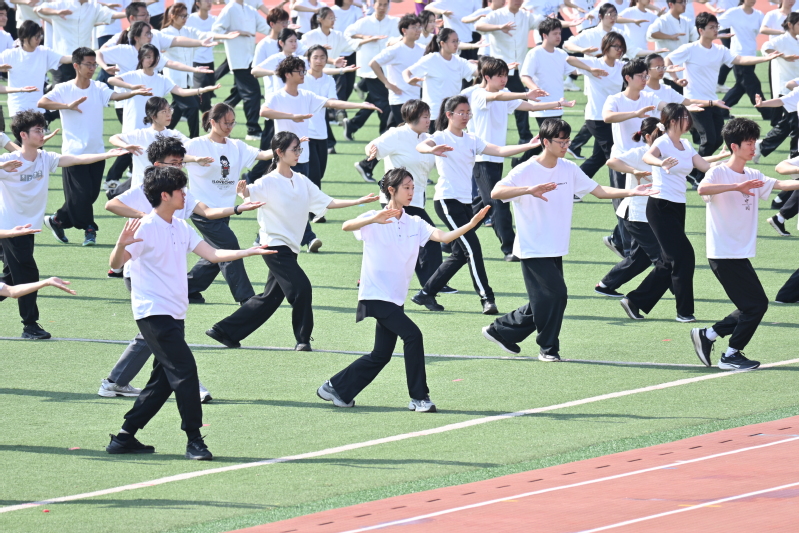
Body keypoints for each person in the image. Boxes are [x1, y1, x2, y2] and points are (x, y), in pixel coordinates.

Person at [104, 166, 276, 460]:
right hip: (152, 313)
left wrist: (248, 252)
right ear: (164, 195)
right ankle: (194, 439)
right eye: (180, 190)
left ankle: (124, 437)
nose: (185, 194)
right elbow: (116, 264)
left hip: (175, 314)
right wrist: (120, 245)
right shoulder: (145, 227)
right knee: (185, 371)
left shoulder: (181, 227)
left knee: (162, 382)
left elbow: (213, 254)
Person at [101, 136, 266, 399]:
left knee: (153, 336)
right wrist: (146, 218)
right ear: (158, 165)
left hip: (171, 278)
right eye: (174, 163)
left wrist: (238, 209)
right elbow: (111, 205)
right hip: (146, 276)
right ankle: (190, 386)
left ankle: (116, 382)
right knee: (168, 337)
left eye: (181, 162)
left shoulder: (180, 208)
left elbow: (208, 215)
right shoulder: (146, 196)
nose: (179, 167)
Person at [317, 168, 491, 412]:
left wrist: (471, 224)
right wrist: (373, 219)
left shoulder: (415, 222)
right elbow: (347, 225)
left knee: (381, 354)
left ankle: (336, 388)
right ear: (392, 190)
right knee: (413, 335)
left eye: (413, 188)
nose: (411, 192)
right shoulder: (374, 217)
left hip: (395, 299)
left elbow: (444, 237)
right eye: (406, 188)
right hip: (375, 295)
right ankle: (419, 398)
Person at [481, 118, 655, 360]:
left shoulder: (569, 168)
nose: (565, 146)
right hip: (533, 246)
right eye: (560, 142)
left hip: (556, 246)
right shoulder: (526, 169)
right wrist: (529, 190)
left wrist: (631, 191)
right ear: (545, 142)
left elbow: (599, 191)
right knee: (557, 295)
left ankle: (501, 330)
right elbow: (496, 191)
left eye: (567, 141)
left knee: (544, 300)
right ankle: (548, 348)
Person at [205, 131, 379, 352]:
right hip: (274, 246)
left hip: (290, 248)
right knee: (302, 288)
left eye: (299, 149)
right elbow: (249, 194)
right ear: (279, 152)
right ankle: (303, 339)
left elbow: (327, 202)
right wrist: (243, 192)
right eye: (294, 149)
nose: (298, 153)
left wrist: (358, 201)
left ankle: (225, 331)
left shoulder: (301, 180)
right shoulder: (268, 181)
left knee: (270, 298)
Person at [0, 111, 127, 340]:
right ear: (23, 135)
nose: (42, 134)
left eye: (42, 129)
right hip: (10, 230)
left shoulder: (45, 158)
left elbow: (76, 160)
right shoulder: (8, 160)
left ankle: (27, 320)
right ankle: (30, 326)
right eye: (37, 130)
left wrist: (106, 154)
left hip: (27, 229)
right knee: (28, 273)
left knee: (11, 277)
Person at [412, 95, 537, 314]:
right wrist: (431, 150)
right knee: (473, 249)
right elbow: (421, 145)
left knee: (460, 253)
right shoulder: (440, 136)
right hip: (447, 201)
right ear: (449, 115)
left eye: (468, 112)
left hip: (465, 203)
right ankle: (487, 298)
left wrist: (530, 145)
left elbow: (499, 151)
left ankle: (426, 293)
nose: (466, 116)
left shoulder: (472, 139)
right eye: (461, 112)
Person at [691, 118, 799, 371]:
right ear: (734, 146)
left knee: (753, 305)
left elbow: (781, 184)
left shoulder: (753, 174)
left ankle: (709, 335)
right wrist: (737, 186)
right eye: (749, 143)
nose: (753, 147)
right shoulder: (718, 172)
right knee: (756, 305)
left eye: (754, 142)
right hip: (723, 252)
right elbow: (703, 189)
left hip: (739, 253)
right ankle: (730, 355)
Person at [260, 55, 382, 250]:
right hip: (283, 159)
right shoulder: (278, 96)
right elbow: (264, 112)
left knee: (298, 199)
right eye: (299, 71)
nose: (303, 74)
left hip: (302, 156)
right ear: (288, 74)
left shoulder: (306, 95)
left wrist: (361, 105)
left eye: (303, 70)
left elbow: (331, 103)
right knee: (288, 200)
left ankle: (268, 237)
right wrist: (292, 116)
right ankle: (308, 238)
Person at [38, 47, 152, 247]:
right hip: (73, 154)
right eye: (88, 64)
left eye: (94, 64)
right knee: (81, 195)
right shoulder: (64, 89)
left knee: (88, 196)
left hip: (97, 153)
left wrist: (133, 92)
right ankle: (90, 229)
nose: (92, 68)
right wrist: (67, 106)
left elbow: (114, 96)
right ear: (76, 66)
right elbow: (42, 102)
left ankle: (58, 220)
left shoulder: (98, 87)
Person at [619, 103, 723, 323]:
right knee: (684, 256)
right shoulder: (662, 142)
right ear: (673, 121)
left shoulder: (686, 144)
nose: (689, 121)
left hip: (677, 206)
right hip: (660, 206)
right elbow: (648, 157)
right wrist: (661, 163)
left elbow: (704, 166)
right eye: (685, 117)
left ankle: (635, 301)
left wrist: (729, 166)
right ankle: (684, 311)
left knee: (669, 260)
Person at [470, 56, 573, 260]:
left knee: (483, 204)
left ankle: (454, 239)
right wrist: (526, 93)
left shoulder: (506, 94)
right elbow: (497, 97)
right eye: (499, 76)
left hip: (498, 157)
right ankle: (510, 248)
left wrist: (557, 104)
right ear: (486, 77)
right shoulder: (479, 94)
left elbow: (530, 107)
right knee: (498, 203)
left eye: (505, 75)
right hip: (483, 158)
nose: (504, 79)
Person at [666, 12, 782, 185]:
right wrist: (676, 78)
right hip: (695, 102)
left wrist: (763, 58)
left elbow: (739, 59)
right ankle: (697, 175)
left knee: (720, 139)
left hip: (714, 101)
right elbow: (669, 59)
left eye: (716, 27)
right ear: (701, 30)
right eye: (712, 27)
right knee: (708, 139)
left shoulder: (720, 50)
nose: (716, 30)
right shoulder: (690, 49)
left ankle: (693, 170)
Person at [184, 103, 274, 305]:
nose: (230, 127)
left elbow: (262, 155)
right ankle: (246, 298)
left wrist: (280, 149)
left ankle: (187, 288)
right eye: (226, 123)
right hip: (202, 209)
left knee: (216, 254)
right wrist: (195, 159)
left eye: (233, 123)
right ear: (213, 122)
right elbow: (174, 156)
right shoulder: (197, 144)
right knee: (229, 245)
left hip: (225, 210)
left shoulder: (236, 146)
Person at [365, 99, 455, 289]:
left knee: (402, 244)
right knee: (429, 239)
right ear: (412, 117)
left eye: (429, 116)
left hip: (416, 199)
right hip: (396, 200)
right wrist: (371, 150)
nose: (428, 120)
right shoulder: (396, 135)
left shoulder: (426, 139)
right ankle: (433, 284)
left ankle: (428, 283)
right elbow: (374, 146)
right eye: (424, 117)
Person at [520, 17, 611, 161]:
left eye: (559, 33)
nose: (559, 36)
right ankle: (524, 163)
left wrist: (592, 67)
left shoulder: (561, 54)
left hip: (558, 103)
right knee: (550, 139)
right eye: (555, 33)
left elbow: (574, 70)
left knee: (546, 140)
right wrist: (536, 89)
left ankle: (520, 162)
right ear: (544, 35)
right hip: (541, 104)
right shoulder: (535, 53)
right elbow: (525, 76)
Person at [352, 13, 424, 182]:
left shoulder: (421, 49)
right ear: (404, 30)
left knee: (390, 133)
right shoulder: (396, 49)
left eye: (419, 27)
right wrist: (387, 83)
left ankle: (366, 165)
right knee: (407, 135)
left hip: (415, 99)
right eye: (414, 27)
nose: (418, 30)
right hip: (399, 100)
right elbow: (373, 63)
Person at [596, 117, 664, 296]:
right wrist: (634, 171)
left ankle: (605, 285)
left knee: (639, 259)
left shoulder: (665, 152)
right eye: (658, 135)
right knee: (664, 259)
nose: (662, 138)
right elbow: (611, 162)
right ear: (647, 137)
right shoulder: (639, 152)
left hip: (651, 214)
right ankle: (675, 295)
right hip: (636, 214)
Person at [475, 0, 550, 143]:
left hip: (515, 70)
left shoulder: (526, 16)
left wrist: (555, 22)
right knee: (489, 102)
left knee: (518, 102)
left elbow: (544, 24)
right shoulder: (497, 15)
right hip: (497, 71)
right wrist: (499, 27)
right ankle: (523, 136)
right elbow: (478, 25)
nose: (518, 1)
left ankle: (525, 136)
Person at [160, 2, 239, 138]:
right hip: (173, 79)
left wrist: (225, 36)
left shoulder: (188, 31)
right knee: (193, 106)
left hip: (187, 78)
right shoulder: (164, 33)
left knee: (178, 108)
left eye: (186, 16)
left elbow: (206, 35)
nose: (185, 19)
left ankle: (161, 134)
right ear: (172, 16)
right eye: (182, 16)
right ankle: (194, 138)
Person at [108, 44, 220, 134]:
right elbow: (111, 80)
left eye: (155, 57)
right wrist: (132, 87)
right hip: (133, 129)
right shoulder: (133, 75)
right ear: (141, 58)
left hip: (153, 130)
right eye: (148, 57)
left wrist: (202, 90)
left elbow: (181, 92)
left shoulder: (162, 79)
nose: (152, 60)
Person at [342, 0, 399, 141]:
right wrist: (364, 38)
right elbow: (347, 34)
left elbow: (403, 36)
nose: (382, 7)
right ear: (373, 5)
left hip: (388, 69)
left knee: (375, 101)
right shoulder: (364, 22)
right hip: (370, 69)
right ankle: (385, 134)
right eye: (380, 4)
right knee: (384, 103)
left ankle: (352, 125)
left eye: (385, 5)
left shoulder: (394, 22)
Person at [212, 0, 269, 140]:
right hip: (238, 60)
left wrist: (283, 28)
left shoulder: (250, 9)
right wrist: (235, 33)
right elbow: (215, 32)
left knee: (238, 94)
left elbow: (266, 28)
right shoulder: (229, 9)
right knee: (253, 93)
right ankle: (253, 130)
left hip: (250, 60)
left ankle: (214, 118)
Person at [403, 28, 478, 131]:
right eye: (453, 41)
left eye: (457, 41)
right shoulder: (431, 59)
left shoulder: (459, 62)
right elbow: (406, 72)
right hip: (434, 115)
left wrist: (489, 66)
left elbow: (478, 72)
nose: (456, 44)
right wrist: (408, 80)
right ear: (442, 43)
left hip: (452, 115)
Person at [34, 0, 125, 83]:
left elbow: (111, 15)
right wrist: (57, 12)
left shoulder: (93, 6)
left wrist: (128, 14)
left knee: (82, 88)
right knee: (63, 89)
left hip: (83, 58)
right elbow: (40, 9)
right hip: (64, 57)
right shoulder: (63, 3)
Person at [577, 31, 626, 179]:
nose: (619, 50)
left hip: (612, 118)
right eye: (616, 46)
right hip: (596, 118)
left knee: (598, 158)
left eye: (621, 47)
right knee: (613, 155)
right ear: (606, 47)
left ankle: (574, 184)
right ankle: (620, 192)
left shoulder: (621, 66)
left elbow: (641, 68)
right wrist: (590, 69)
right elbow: (569, 59)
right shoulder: (595, 63)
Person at [0, 20, 70, 119]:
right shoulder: (11, 54)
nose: (39, 39)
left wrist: (81, 56)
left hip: (38, 107)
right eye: (36, 36)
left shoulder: (44, 52)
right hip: (18, 107)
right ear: (25, 37)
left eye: (40, 36)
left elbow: (64, 59)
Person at [755, 13, 799, 164]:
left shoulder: (797, 40)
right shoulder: (780, 40)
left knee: (787, 125)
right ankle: (794, 157)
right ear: (790, 25)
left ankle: (761, 147)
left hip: (796, 88)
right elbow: (765, 47)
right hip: (786, 88)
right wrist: (782, 56)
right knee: (794, 125)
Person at [646, 0, 698, 94]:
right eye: (680, 2)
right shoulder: (662, 20)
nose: (684, 5)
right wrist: (670, 36)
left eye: (685, 2)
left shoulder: (685, 21)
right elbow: (650, 33)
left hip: (683, 71)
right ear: (671, 4)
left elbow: (696, 36)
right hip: (667, 72)